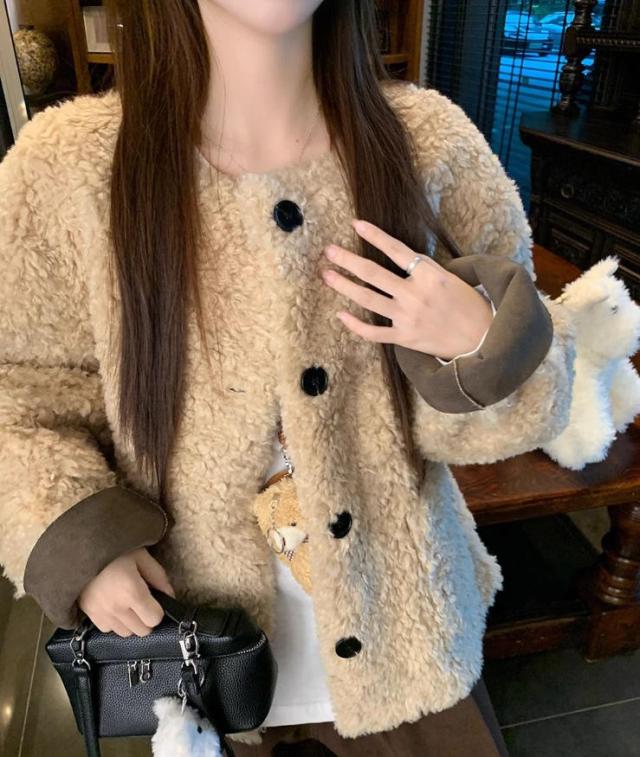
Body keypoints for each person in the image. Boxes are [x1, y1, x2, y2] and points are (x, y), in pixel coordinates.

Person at [0, 0, 577, 754]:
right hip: (192, 665)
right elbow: (19, 395)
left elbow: (532, 397)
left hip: (408, 649)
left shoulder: (431, 143)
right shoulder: (67, 168)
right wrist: (82, 542)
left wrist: (478, 343)